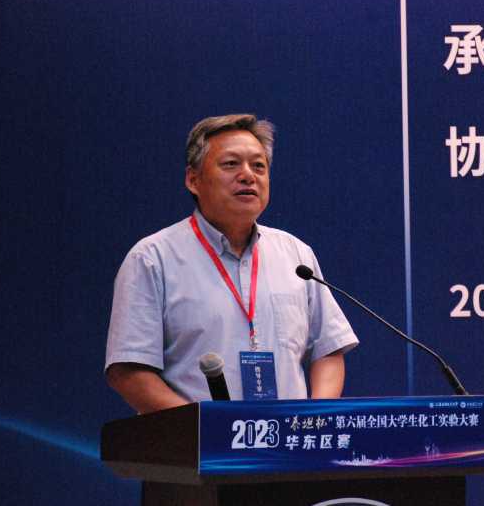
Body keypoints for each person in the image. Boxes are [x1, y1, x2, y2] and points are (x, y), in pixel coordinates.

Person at [105, 114, 358, 413]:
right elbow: (129, 371)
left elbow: (328, 350)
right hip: (194, 442)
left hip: (287, 440)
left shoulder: (296, 255)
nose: (248, 175)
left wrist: (314, 419)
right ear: (193, 180)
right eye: (231, 164)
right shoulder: (152, 259)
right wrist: (204, 429)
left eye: (258, 166)